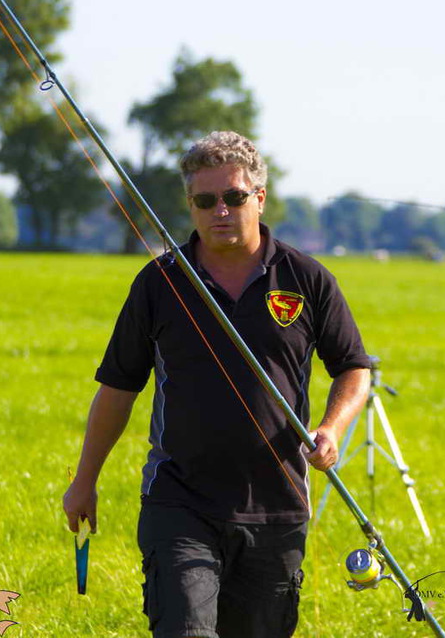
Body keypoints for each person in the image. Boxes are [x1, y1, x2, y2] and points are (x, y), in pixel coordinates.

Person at [63, 131, 371, 638]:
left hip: (278, 506)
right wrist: (84, 480)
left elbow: (353, 367)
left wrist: (332, 429)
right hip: (179, 501)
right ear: (190, 205)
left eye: (233, 196)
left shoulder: (307, 278)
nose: (220, 211)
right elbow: (118, 387)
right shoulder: (159, 282)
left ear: (260, 198)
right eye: (205, 201)